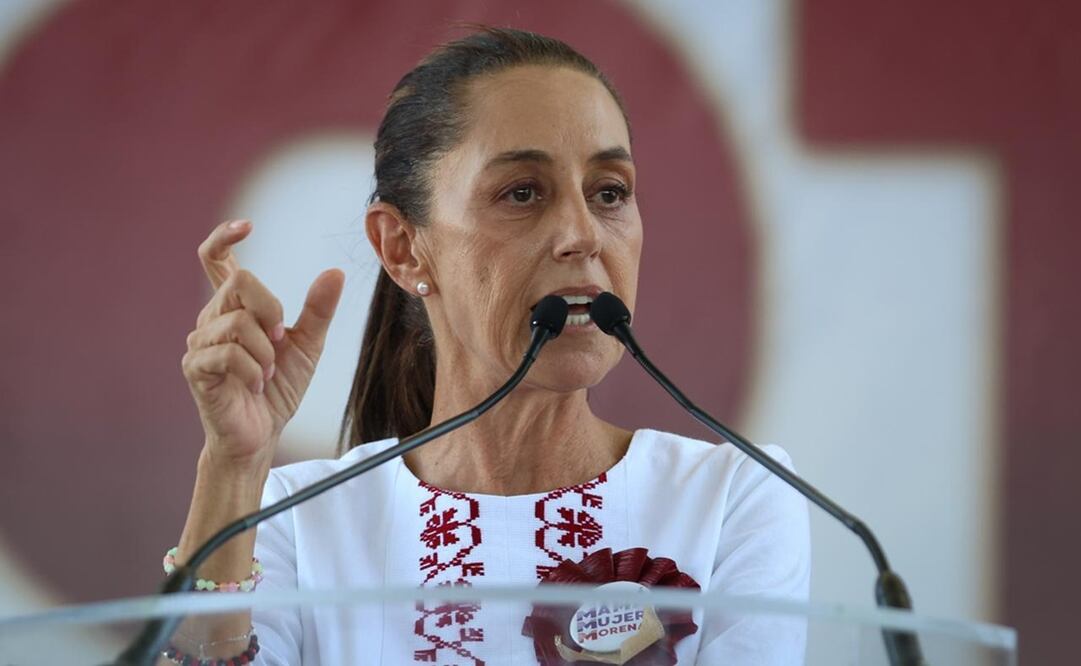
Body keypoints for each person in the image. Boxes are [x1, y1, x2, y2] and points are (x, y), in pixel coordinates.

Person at [173, 27, 810, 665]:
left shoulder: (735, 497)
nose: (581, 236)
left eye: (609, 192)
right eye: (523, 193)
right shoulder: (296, 518)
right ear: (402, 247)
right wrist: (234, 464)